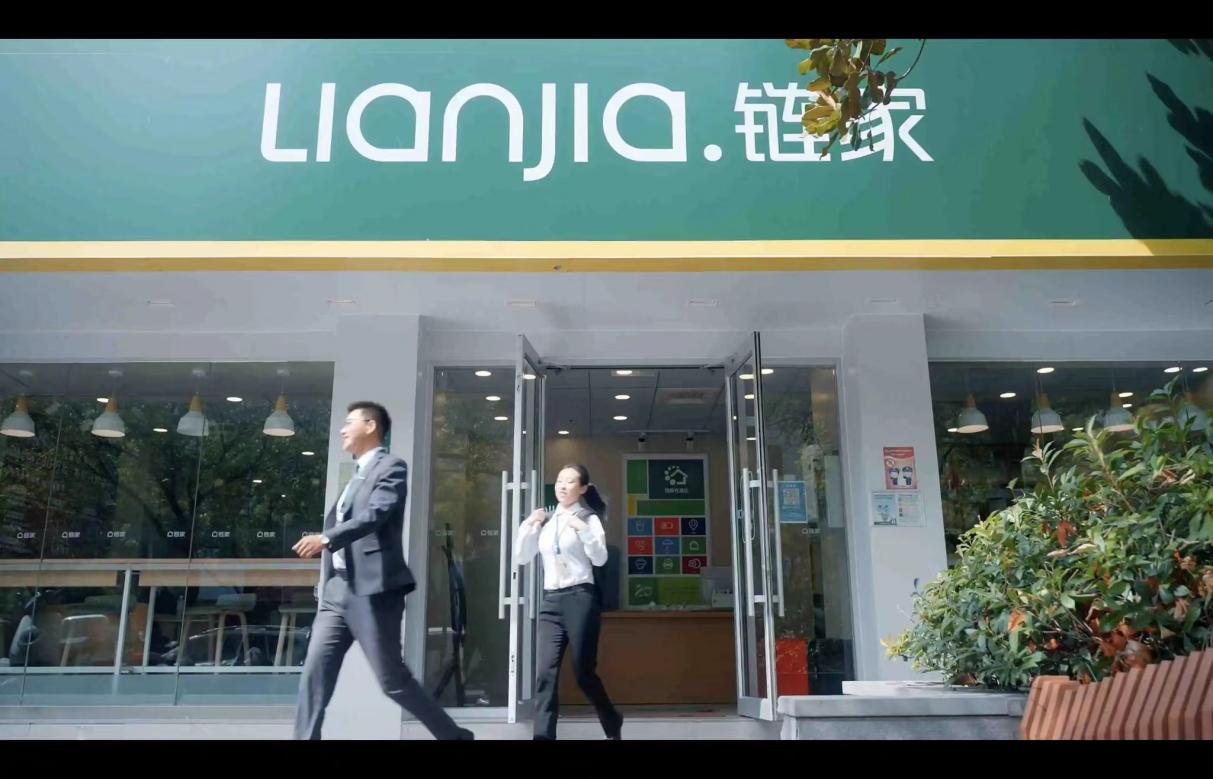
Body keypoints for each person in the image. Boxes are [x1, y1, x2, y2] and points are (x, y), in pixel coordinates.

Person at [291, 401, 473, 741]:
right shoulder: (355, 476)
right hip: (336, 592)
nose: (342, 429)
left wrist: (326, 538)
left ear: (371, 426)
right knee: (314, 674)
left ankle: (455, 737)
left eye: (349, 422)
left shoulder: (391, 467)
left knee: (392, 680)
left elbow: (375, 514)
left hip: (371, 591)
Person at [514, 464, 623, 740]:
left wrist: (583, 530)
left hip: (580, 599)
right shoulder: (546, 520)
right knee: (545, 674)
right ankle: (543, 736)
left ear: (583, 488)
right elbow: (522, 557)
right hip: (551, 601)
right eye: (560, 481)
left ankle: (611, 718)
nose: (562, 486)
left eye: (570, 482)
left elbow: (600, 558)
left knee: (583, 673)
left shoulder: (588, 518)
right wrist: (529, 525)